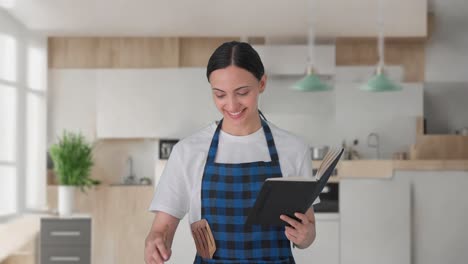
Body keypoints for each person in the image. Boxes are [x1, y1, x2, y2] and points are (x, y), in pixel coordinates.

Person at [145, 41, 319, 264]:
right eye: (220, 95)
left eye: (242, 92)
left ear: (262, 83)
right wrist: (156, 240)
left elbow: (308, 231)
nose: (232, 105)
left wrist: (305, 236)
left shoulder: (293, 149)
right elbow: (162, 227)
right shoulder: (188, 151)